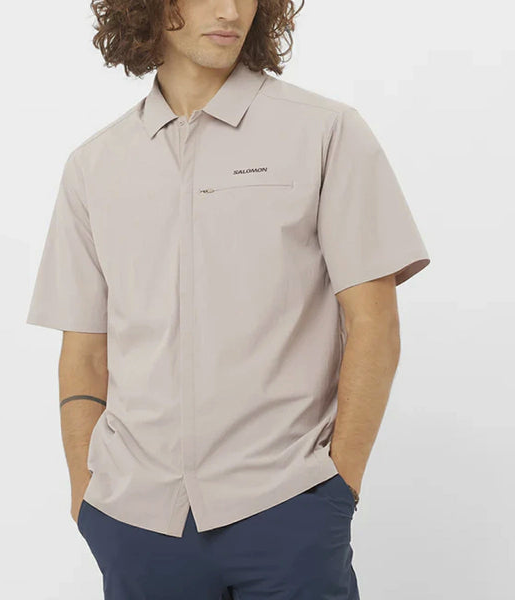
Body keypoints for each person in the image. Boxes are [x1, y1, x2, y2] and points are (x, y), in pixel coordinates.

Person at [26, 0, 431, 598]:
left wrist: (337, 488)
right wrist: (86, 497)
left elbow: (375, 323)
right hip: (136, 522)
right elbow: (84, 347)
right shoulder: (94, 166)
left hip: (287, 509)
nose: (229, 10)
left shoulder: (325, 131)